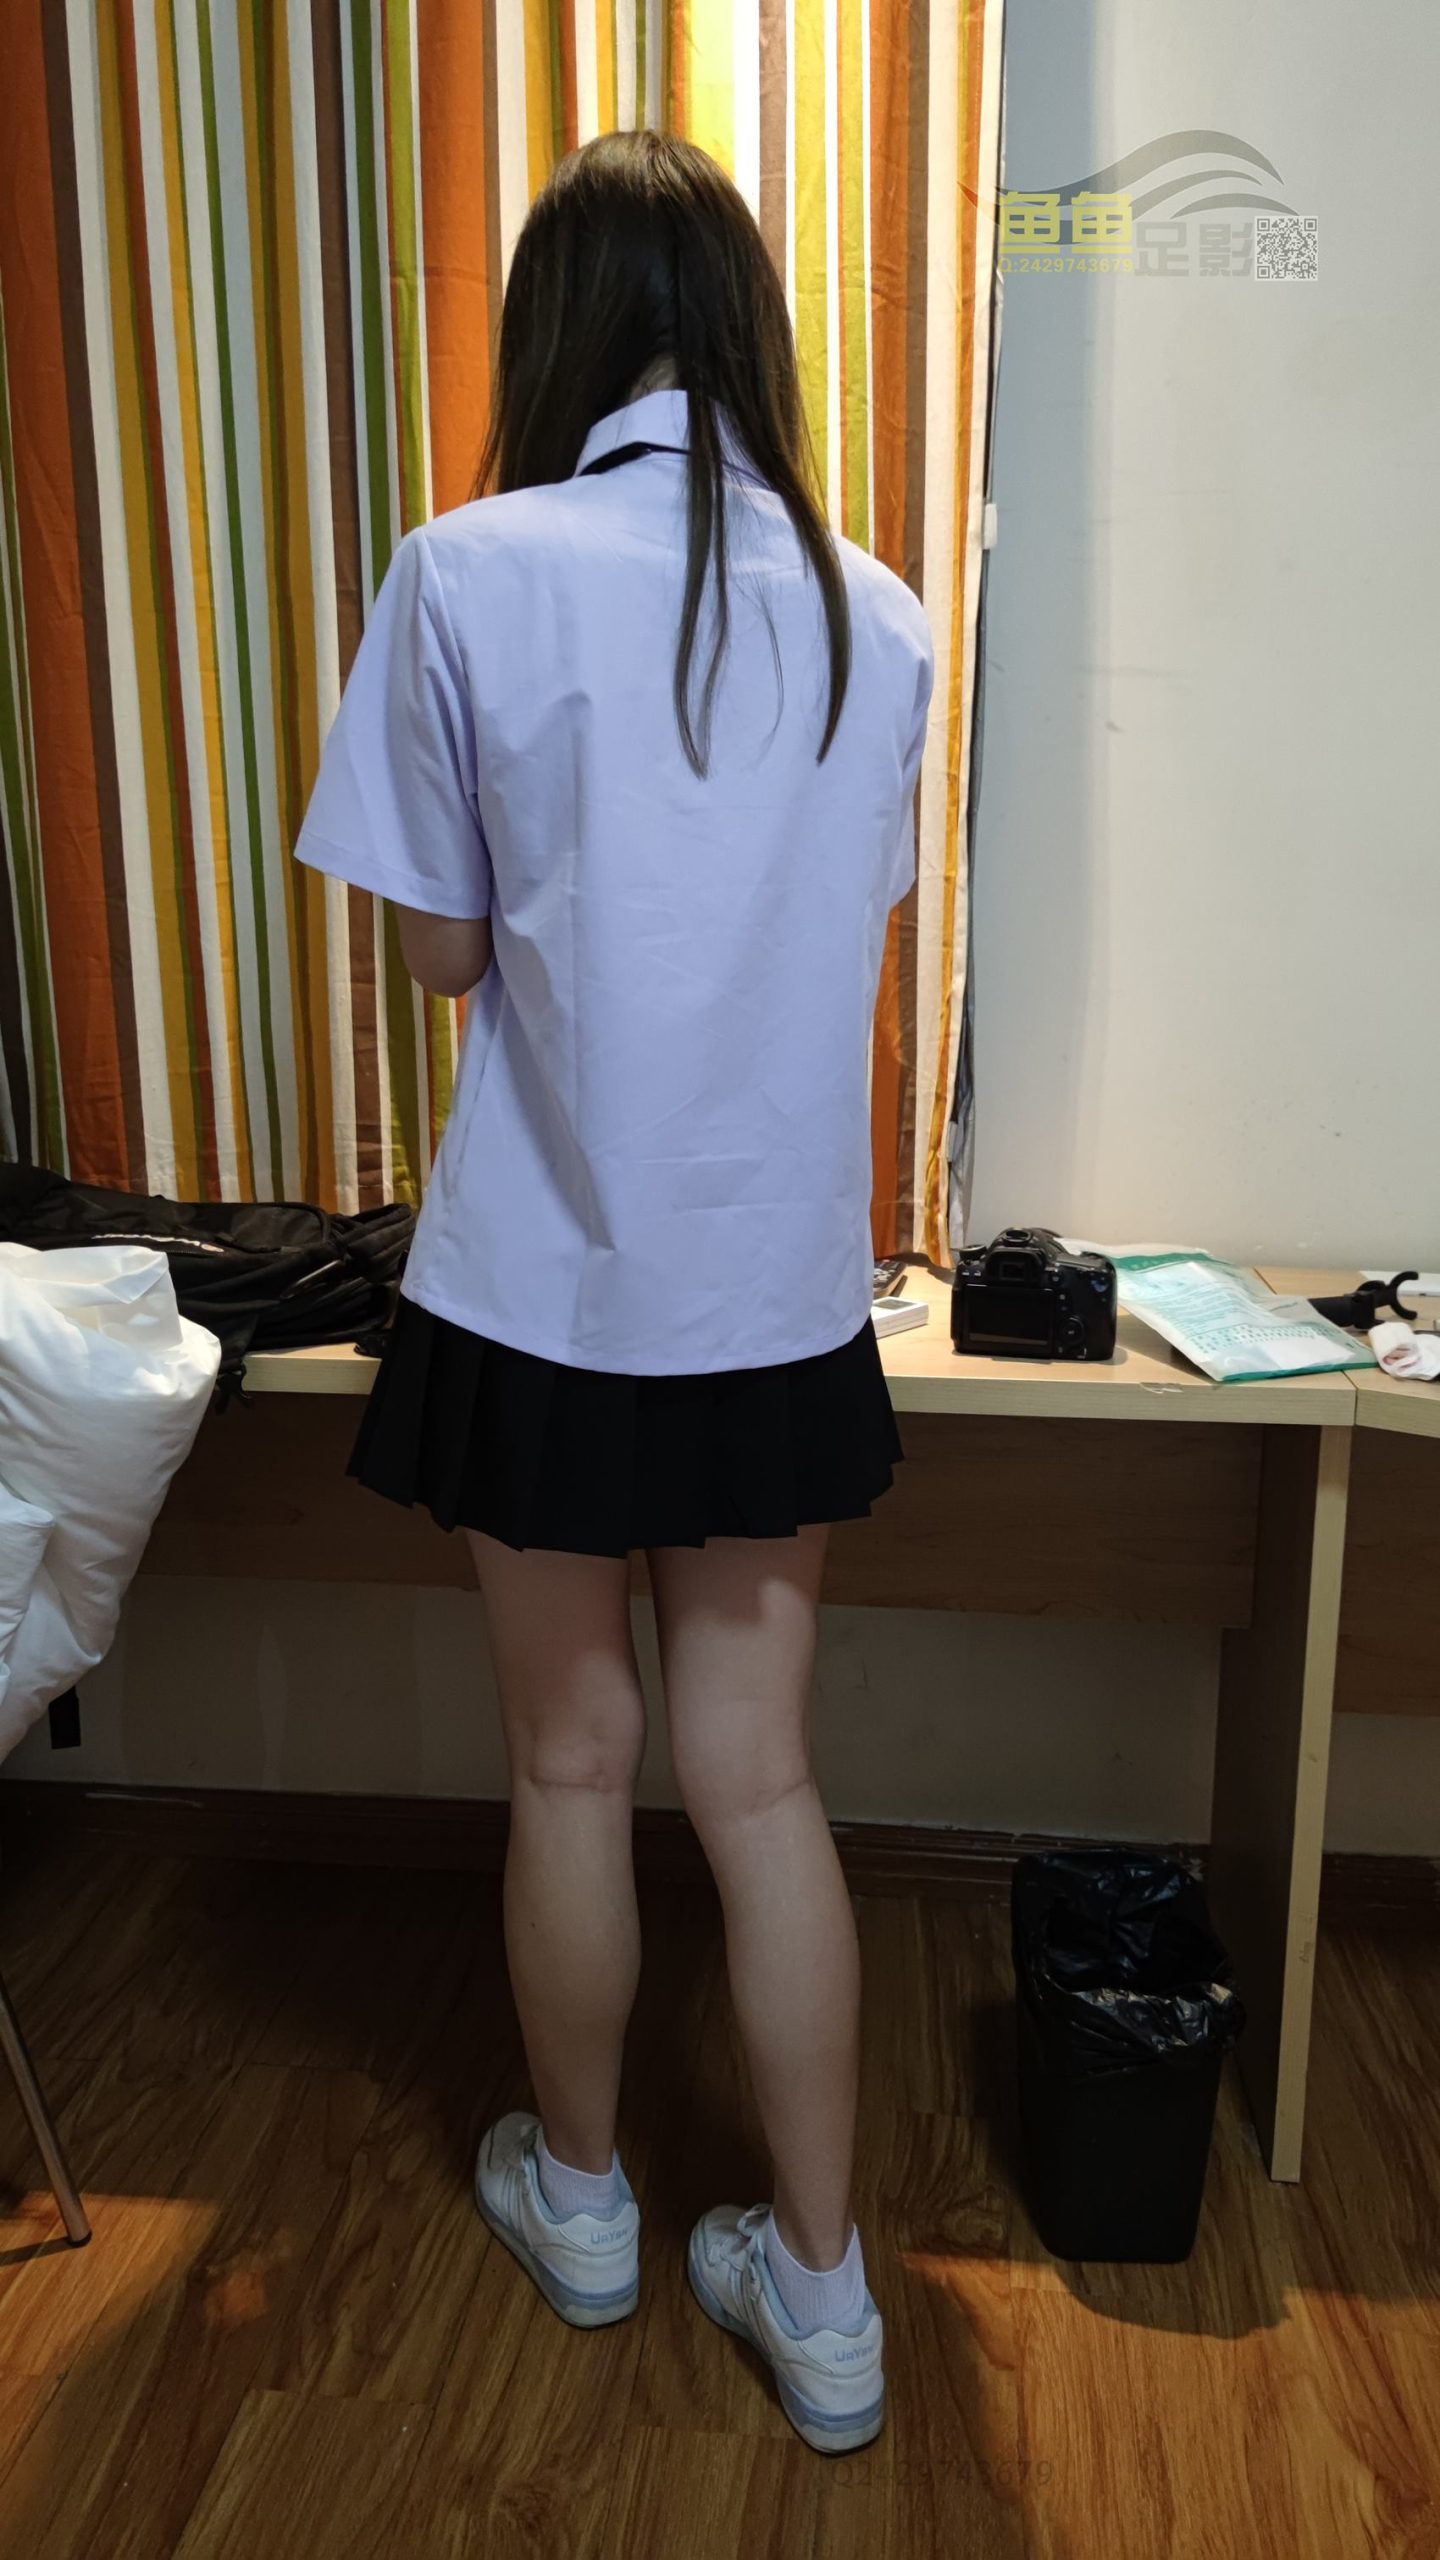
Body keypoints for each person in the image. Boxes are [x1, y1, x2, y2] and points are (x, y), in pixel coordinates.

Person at [293, 128, 933, 2458]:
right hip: (773, 1291)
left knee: (570, 1758)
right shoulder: (884, 613)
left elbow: (443, 951)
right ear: (747, 330)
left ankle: (581, 2205)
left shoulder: (462, 570)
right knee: (762, 1781)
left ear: (549, 336)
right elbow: (828, 934)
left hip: (543, 1284)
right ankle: (828, 2298)